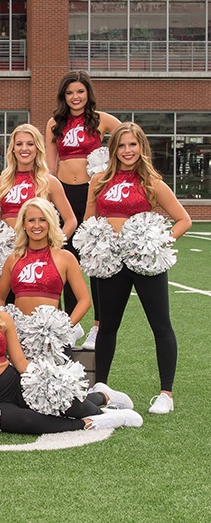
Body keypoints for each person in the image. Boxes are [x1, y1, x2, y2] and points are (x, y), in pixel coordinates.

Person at [0, 259, 142, 434]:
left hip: (13, 382)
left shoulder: (2, 318)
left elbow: (19, 362)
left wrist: (45, 381)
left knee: (68, 404)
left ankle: (102, 399)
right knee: (26, 422)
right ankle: (90, 423)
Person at [85, 122, 191, 414]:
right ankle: (101, 387)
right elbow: (88, 221)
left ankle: (165, 394)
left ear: (141, 148)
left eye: (133, 145)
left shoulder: (152, 182)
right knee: (107, 326)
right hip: (111, 262)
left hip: (145, 263)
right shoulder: (99, 181)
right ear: (113, 149)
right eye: (121, 145)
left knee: (161, 325)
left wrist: (157, 243)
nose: (127, 151)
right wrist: (97, 243)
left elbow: (183, 220)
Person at [45, 71, 122, 350]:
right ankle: (72, 323)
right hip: (63, 196)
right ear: (63, 96)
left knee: (95, 262)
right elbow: (49, 167)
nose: (75, 97)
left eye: (80, 91)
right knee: (67, 259)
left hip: (93, 195)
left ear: (88, 93)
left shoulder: (101, 120)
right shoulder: (55, 124)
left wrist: (111, 168)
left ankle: (97, 327)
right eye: (69, 93)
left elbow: (127, 137)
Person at [0, 197, 89, 347]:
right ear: (24, 224)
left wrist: (64, 328)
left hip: (51, 339)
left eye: (42, 220)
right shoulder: (13, 258)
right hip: (20, 337)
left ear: (50, 223)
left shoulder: (65, 258)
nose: (36, 225)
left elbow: (85, 300)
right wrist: (6, 326)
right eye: (31, 220)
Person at [0, 124, 76, 240]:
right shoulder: (2, 181)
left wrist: (55, 246)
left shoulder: (50, 181)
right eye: (19, 144)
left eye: (30, 144)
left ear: (37, 148)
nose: (24, 148)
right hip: (8, 252)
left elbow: (71, 220)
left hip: (37, 249)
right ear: (13, 148)